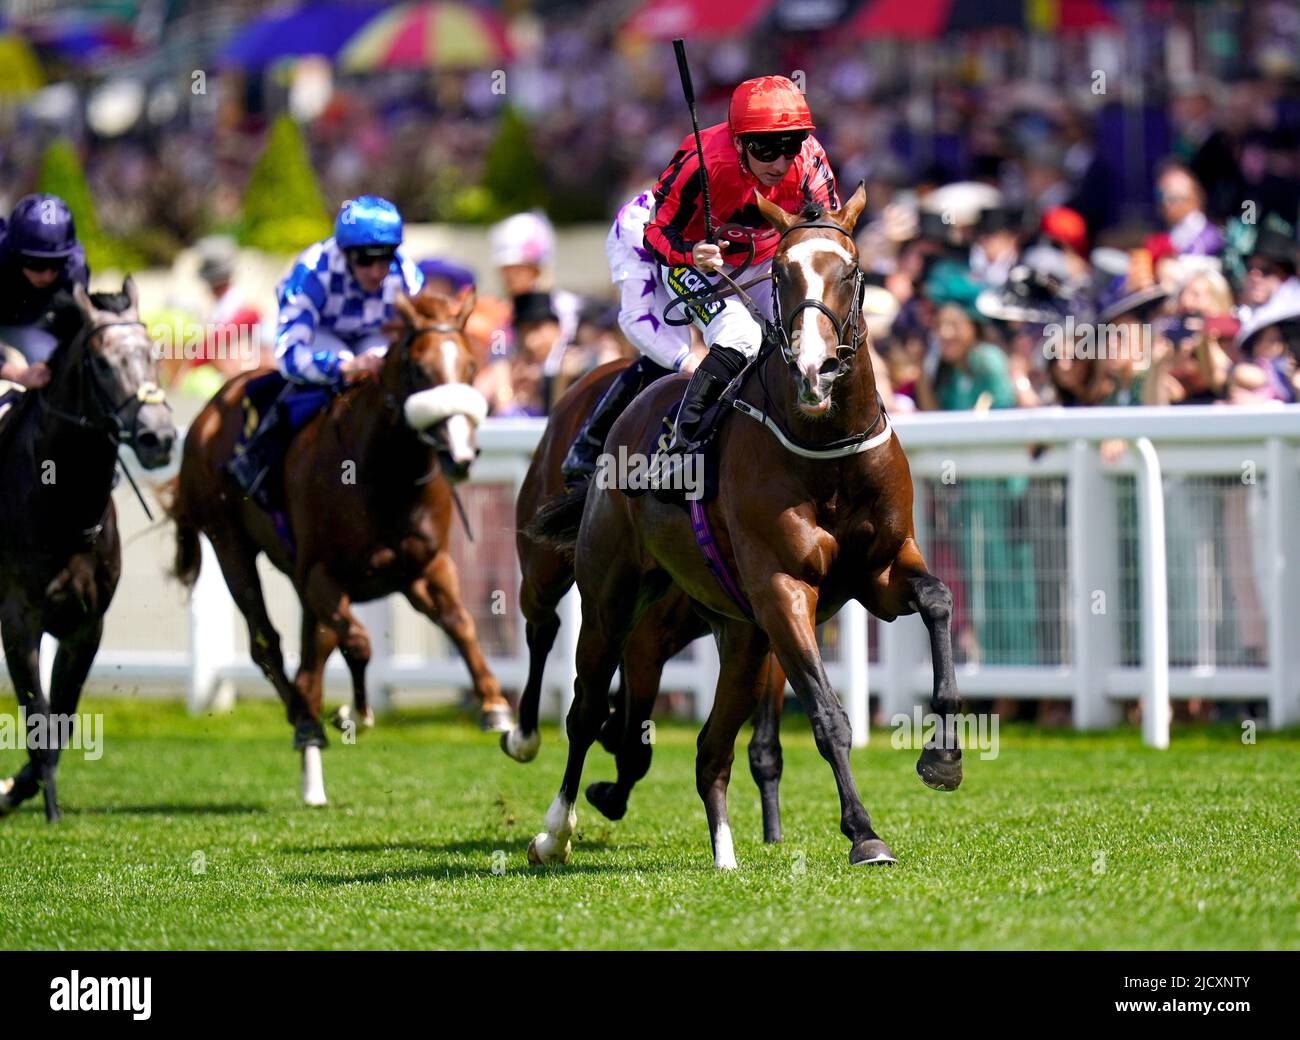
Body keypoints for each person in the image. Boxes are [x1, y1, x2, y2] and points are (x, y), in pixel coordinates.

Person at [645, 75, 841, 465]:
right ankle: (679, 447)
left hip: (767, 259)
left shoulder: (809, 163)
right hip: (700, 263)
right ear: (739, 142)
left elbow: (828, 232)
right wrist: (691, 253)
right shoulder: (701, 162)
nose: (781, 162)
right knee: (742, 337)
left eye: (791, 145)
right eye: (767, 149)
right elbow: (654, 232)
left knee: (808, 332)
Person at [226, 195, 423, 506]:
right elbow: (289, 355)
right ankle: (257, 461)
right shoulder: (310, 274)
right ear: (344, 253)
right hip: (322, 336)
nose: (376, 270)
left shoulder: (408, 277)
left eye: (385, 257)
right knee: (346, 366)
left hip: (374, 336)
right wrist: (341, 368)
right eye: (365, 259)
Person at [559, 188, 705, 482]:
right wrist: (685, 360)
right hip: (655, 241)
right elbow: (636, 318)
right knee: (670, 353)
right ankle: (589, 445)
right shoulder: (637, 222)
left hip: (699, 240)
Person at [0, 193, 90, 392]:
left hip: (28, 324)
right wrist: (18, 374)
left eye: (56, 263)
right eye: (37, 264)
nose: (48, 275)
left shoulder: (74, 269)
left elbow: (73, 331)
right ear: (14, 254)